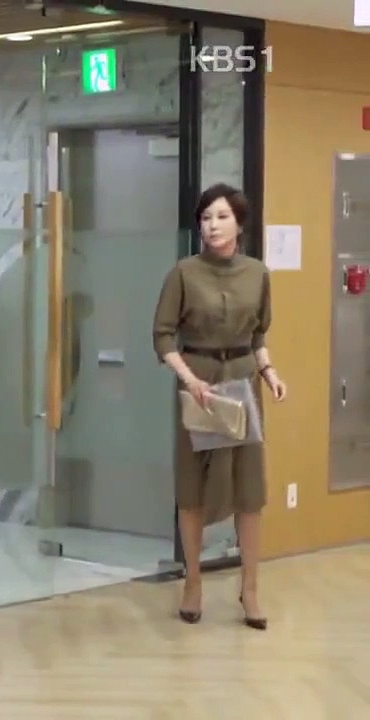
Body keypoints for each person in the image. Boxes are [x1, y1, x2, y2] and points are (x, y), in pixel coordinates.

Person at [152, 182, 287, 631]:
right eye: (206, 217)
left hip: (242, 383)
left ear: (239, 223)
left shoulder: (257, 274)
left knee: (249, 491)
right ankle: (193, 583)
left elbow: (258, 334)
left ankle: (251, 589)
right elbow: (163, 335)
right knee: (192, 488)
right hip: (199, 385)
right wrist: (189, 379)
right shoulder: (184, 273)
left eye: (222, 216)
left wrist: (269, 372)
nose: (212, 225)